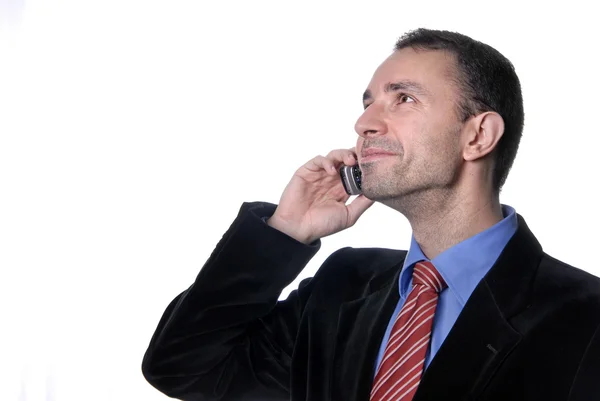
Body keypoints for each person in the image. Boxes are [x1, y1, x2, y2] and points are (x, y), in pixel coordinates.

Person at [141, 28, 600, 401]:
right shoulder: (343, 286)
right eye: (368, 103)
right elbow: (183, 369)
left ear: (478, 136)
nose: (365, 124)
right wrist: (284, 233)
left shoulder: (585, 319)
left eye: (403, 99)